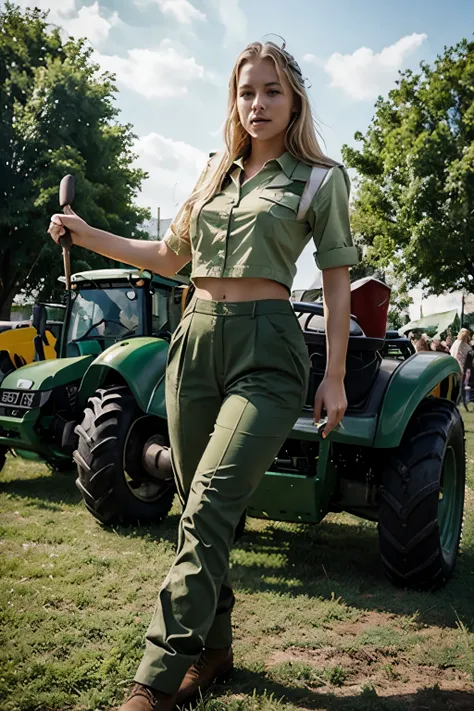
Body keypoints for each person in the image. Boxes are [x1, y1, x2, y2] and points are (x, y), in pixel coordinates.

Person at [48, 39, 358, 711]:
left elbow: (338, 285)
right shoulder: (215, 171)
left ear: (294, 98)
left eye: (272, 90)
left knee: (211, 501)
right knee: (194, 506)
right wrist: (86, 229)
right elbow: (167, 254)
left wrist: (333, 376)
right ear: (234, 99)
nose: (258, 103)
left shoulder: (320, 179)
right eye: (247, 91)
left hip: (270, 352)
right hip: (196, 342)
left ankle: (156, 678)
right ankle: (215, 647)